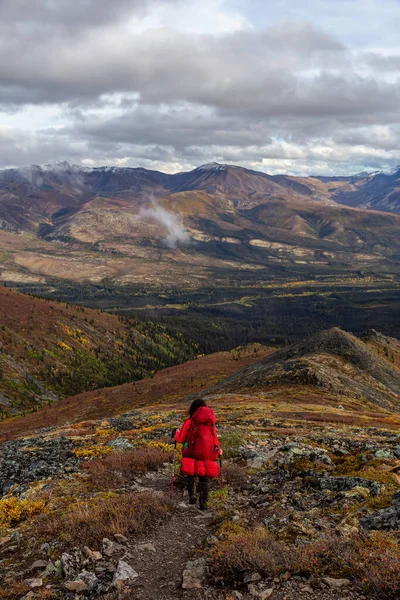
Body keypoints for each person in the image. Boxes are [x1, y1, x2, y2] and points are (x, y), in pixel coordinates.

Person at [174, 398, 222, 510]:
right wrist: (218, 451)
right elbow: (214, 440)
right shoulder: (210, 424)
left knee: (191, 473)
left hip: (192, 453)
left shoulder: (189, 422)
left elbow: (180, 439)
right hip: (206, 455)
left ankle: (192, 495)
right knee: (204, 478)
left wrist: (176, 433)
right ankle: (204, 504)